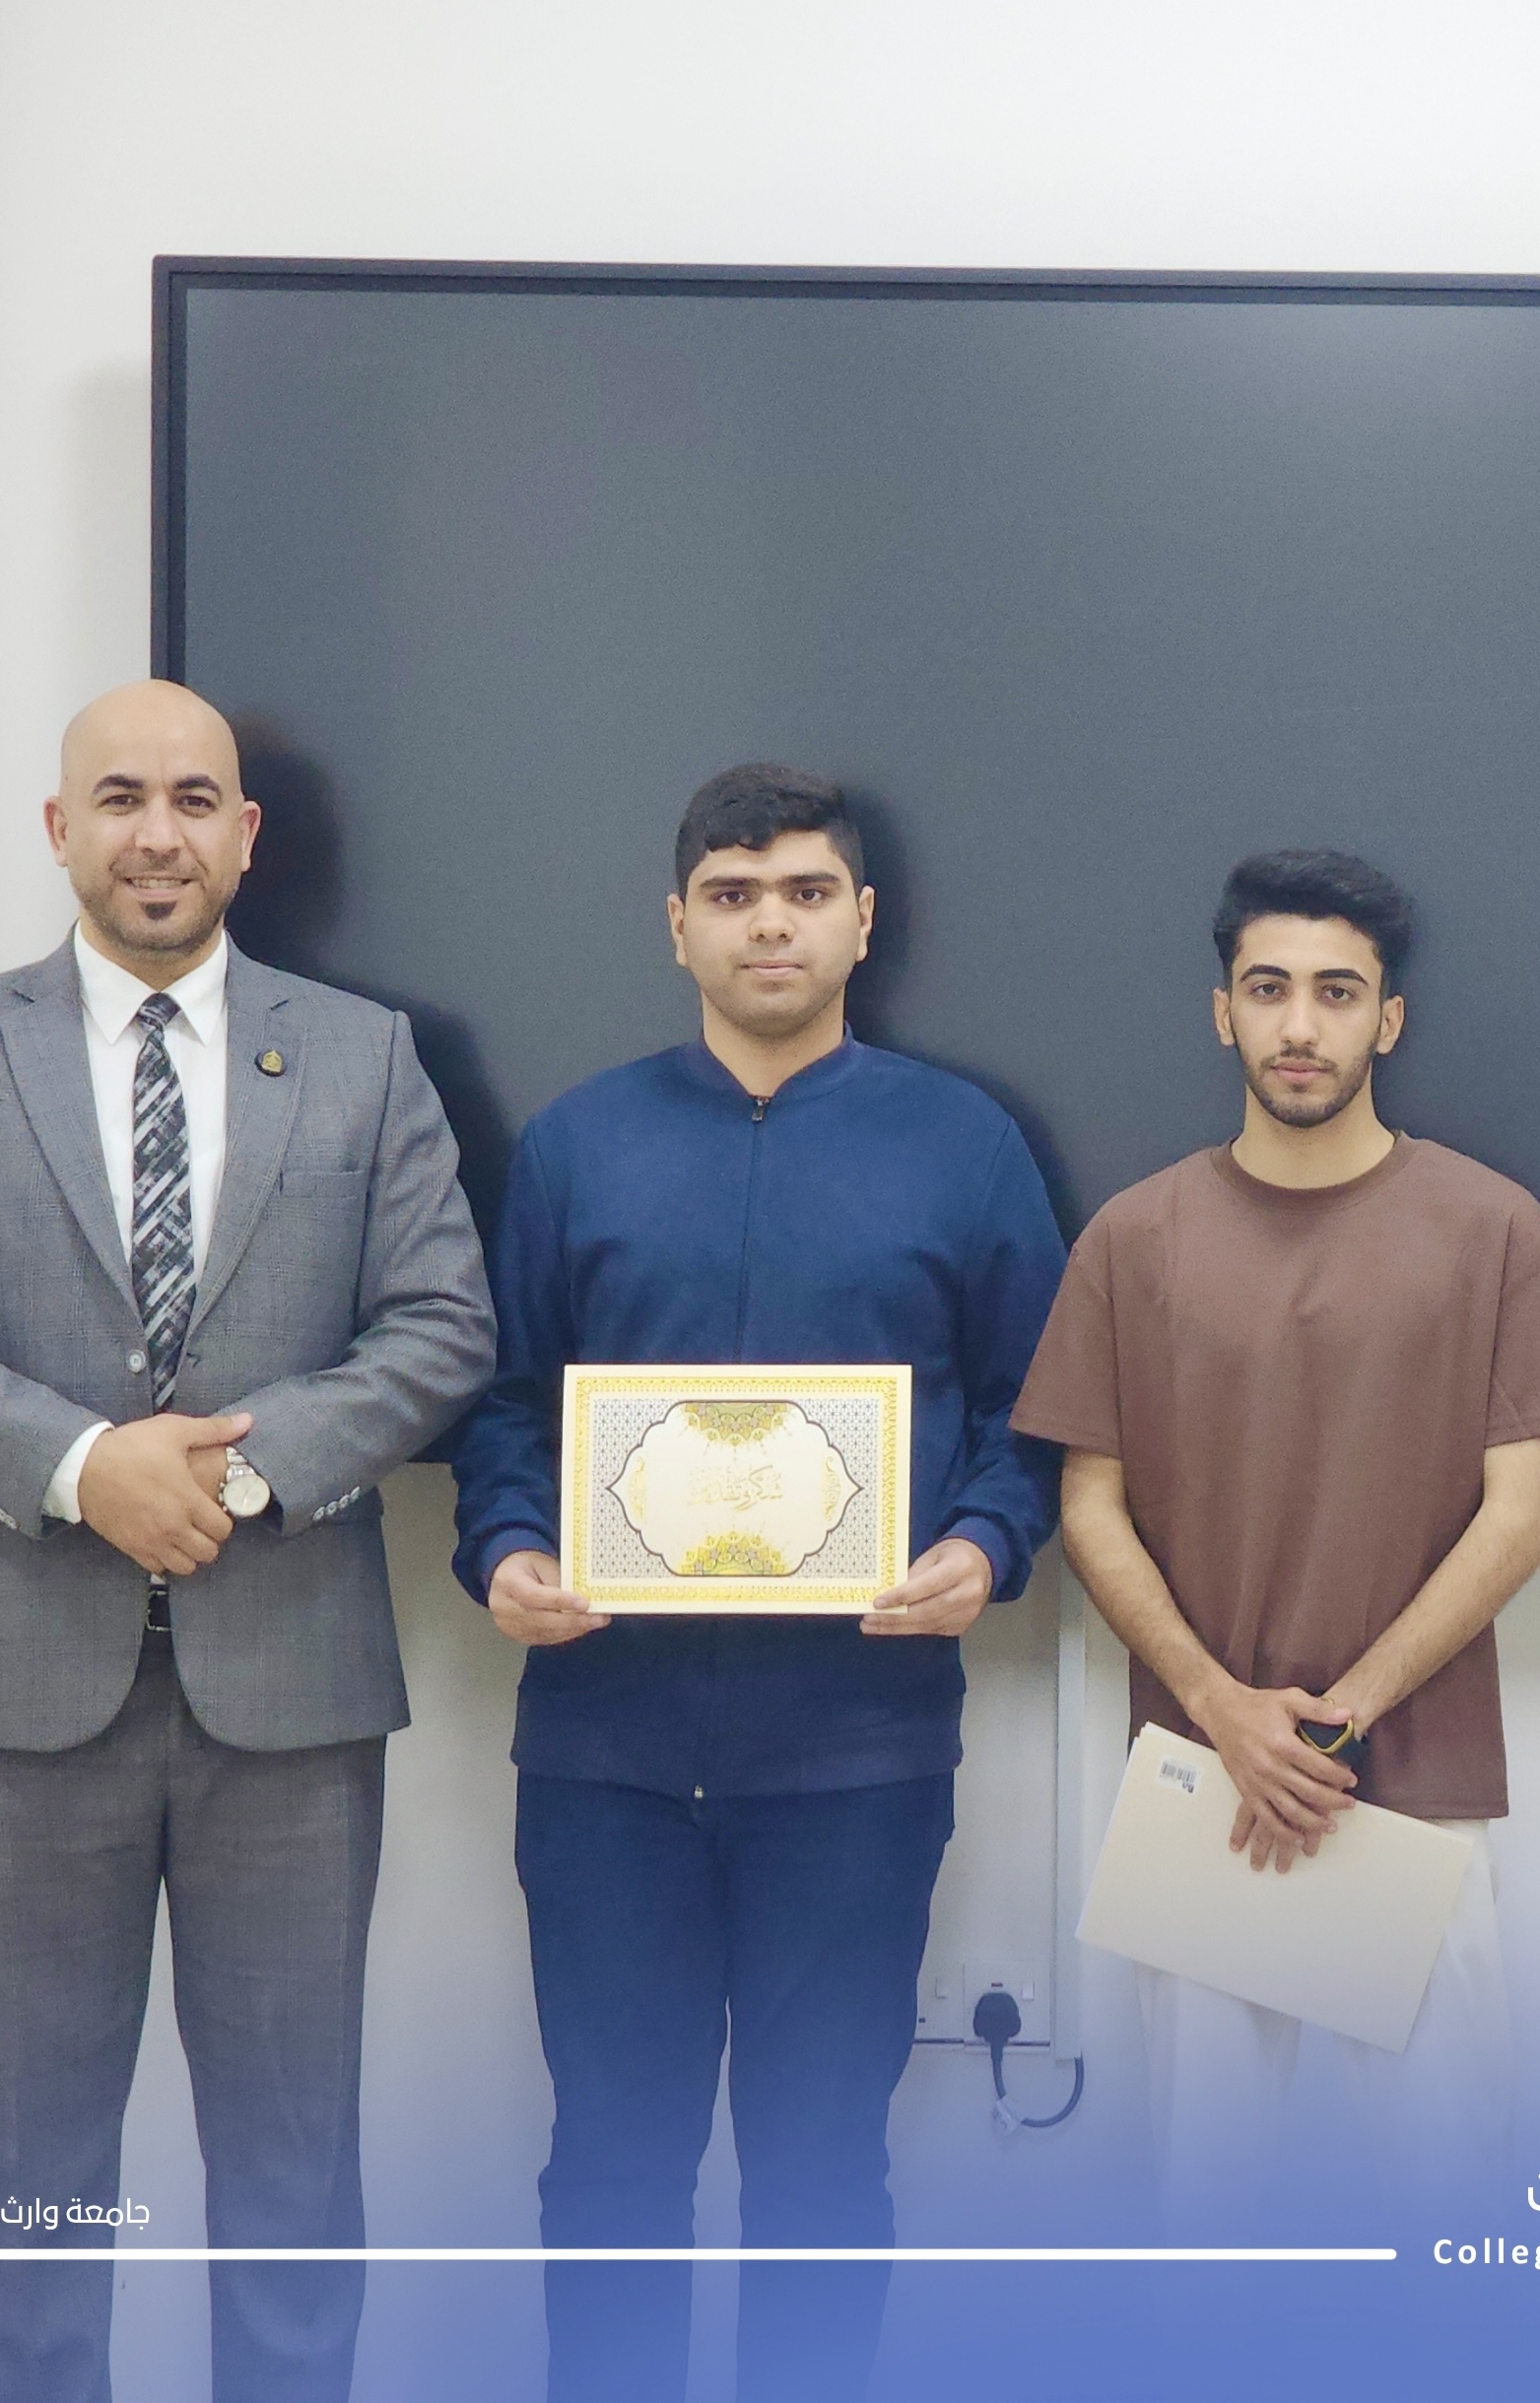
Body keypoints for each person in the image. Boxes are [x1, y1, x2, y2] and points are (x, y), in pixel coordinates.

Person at [0, 679, 495, 2403]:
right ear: (61, 829)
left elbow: (440, 1328)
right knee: (27, 2177)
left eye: (195, 800)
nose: (157, 834)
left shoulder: (365, 1054)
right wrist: (79, 1467)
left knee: (293, 2173)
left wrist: (236, 1481)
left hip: (292, 1698)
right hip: (19, 1691)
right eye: (119, 798)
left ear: (246, 836)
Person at [447, 763, 1064, 2403]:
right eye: (732, 896)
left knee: (821, 2177)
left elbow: (1041, 1409)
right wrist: (506, 1548)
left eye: (803, 893)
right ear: (678, 927)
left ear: (864, 921)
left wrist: (984, 1543)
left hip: (856, 1756)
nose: (768, 924)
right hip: (607, 1756)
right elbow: (501, 1404)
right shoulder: (577, 1145)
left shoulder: (964, 1144)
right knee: (610, 2174)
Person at [1014, 846, 1540, 2220]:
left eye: (1337, 993)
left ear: (1387, 1019)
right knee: (1212, 2219)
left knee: (1444, 2216)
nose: (1300, 1024)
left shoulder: (1494, 1229)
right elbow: (1090, 1509)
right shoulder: (1132, 1240)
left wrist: (1343, 1715)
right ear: (1221, 1010)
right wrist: (1227, 1712)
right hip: (1203, 1790)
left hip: (1412, 1791)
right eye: (1269, 988)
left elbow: (1519, 1517)